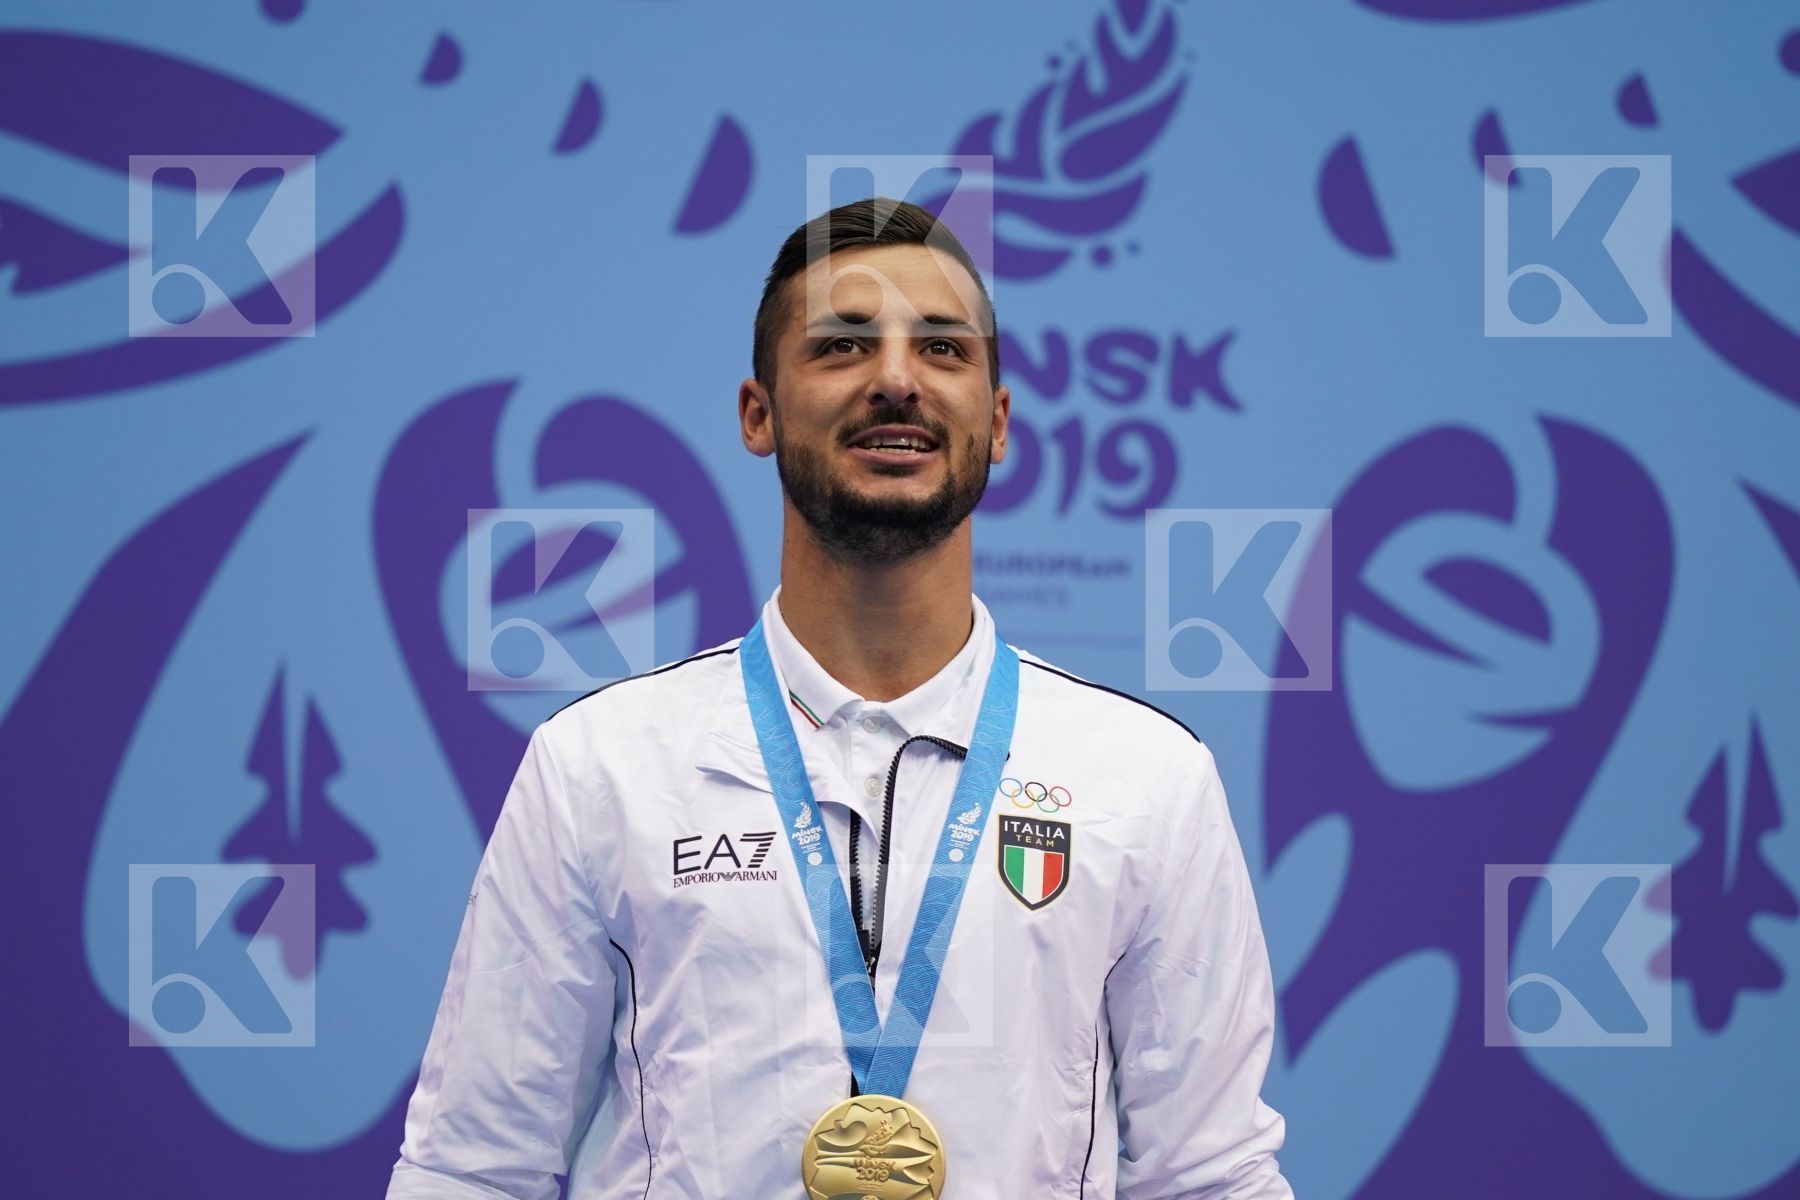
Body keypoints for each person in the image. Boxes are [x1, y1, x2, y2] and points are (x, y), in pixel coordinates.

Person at [386, 197, 1293, 1199]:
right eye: (841, 348)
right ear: (757, 414)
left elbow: (1213, 1177)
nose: (897, 380)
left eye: (943, 349)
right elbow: (472, 1167)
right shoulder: (600, 766)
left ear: (996, 425)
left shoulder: (1145, 778)